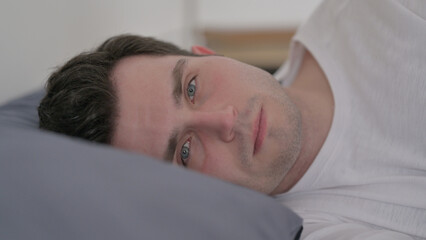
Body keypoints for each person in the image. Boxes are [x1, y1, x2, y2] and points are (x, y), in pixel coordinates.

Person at [38, 0, 426, 239]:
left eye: (191, 88)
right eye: (185, 151)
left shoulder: (385, 14)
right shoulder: (309, 230)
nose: (223, 121)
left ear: (208, 53)